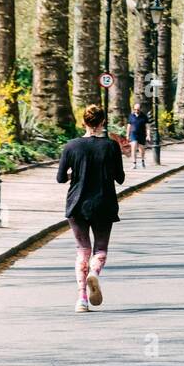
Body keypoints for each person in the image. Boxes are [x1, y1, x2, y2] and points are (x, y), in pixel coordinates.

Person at [57, 104, 125, 313]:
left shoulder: (71, 146)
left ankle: (82, 300)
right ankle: (94, 272)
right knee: (100, 249)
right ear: (102, 122)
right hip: (103, 202)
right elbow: (120, 178)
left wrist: (75, 174)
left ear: (83, 122)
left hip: (77, 203)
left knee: (82, 250)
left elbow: (60, 178)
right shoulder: (111, 146)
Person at [126, 102, 149, 169]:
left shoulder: (144, 116)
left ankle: (142, 161)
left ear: (140, 109)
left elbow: (147, 126)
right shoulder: (131, 116)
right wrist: (127, 134)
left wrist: (148, 135)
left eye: (138, 109)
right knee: (133, 147)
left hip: (141, 134)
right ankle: (134, 163)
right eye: (135, 109)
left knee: (141, 149)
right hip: (133, 134)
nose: (136, 111)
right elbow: (129, 126)